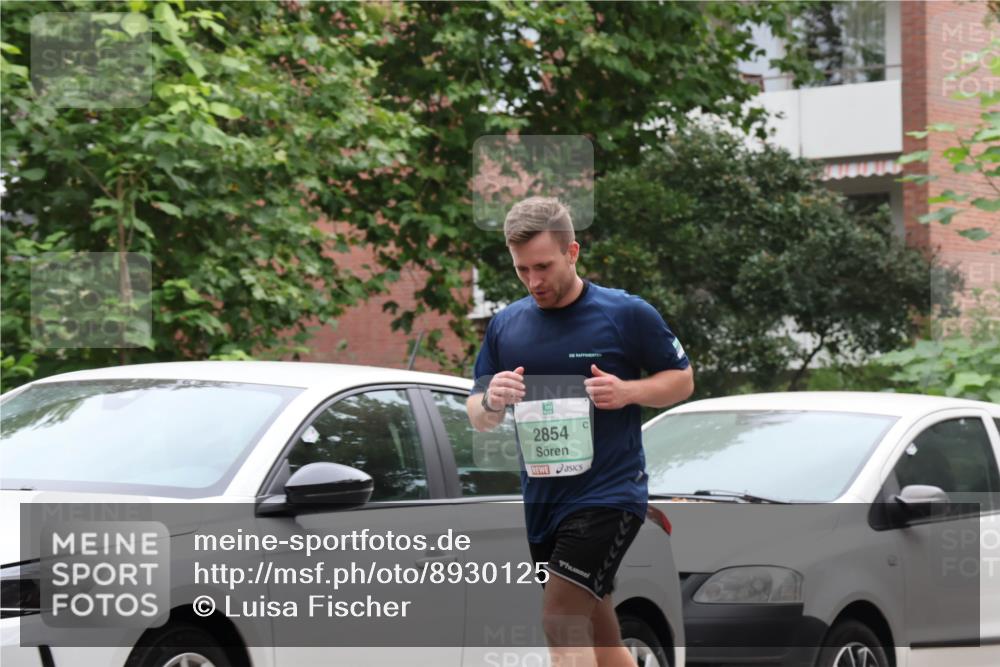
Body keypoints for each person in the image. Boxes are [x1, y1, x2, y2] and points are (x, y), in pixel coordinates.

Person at [465, 196, 694, 667]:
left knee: (560, 619)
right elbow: (478, 413)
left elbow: (683, 379)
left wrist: (628, 392)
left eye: (543, 267)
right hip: (545, 500)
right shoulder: (506, 325)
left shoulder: (624, 313)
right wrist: (491, 399)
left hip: (609, 495)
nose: (534, 281)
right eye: (521, 270)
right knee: (599, 630)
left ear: (572, 253)